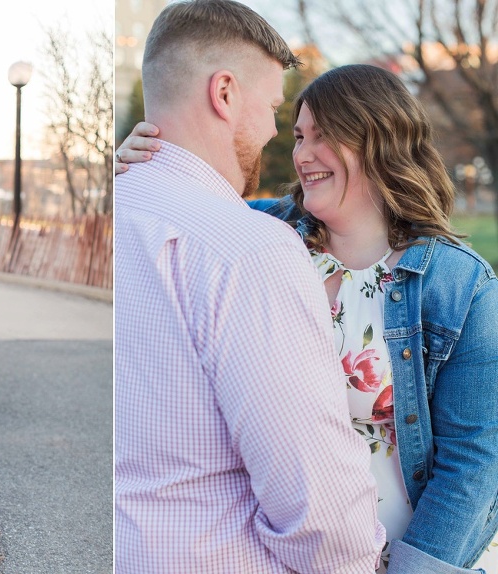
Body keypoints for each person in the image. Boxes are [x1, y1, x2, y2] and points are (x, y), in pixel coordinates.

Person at [116, 63, 498, 573]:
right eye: (298, 136)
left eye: (324, 136)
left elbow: (474, 460)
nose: (301, 155)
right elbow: (173, 212)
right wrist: (128, 168)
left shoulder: (458, 284)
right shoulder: (259, 231)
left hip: (408, 555)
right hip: (279, 552)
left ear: (380, 139)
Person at [115, 1, 386, 572]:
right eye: (271, 108)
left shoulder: (118, 209)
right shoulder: (250, 249)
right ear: (225, 93)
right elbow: (320, 510)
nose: (274, 135)